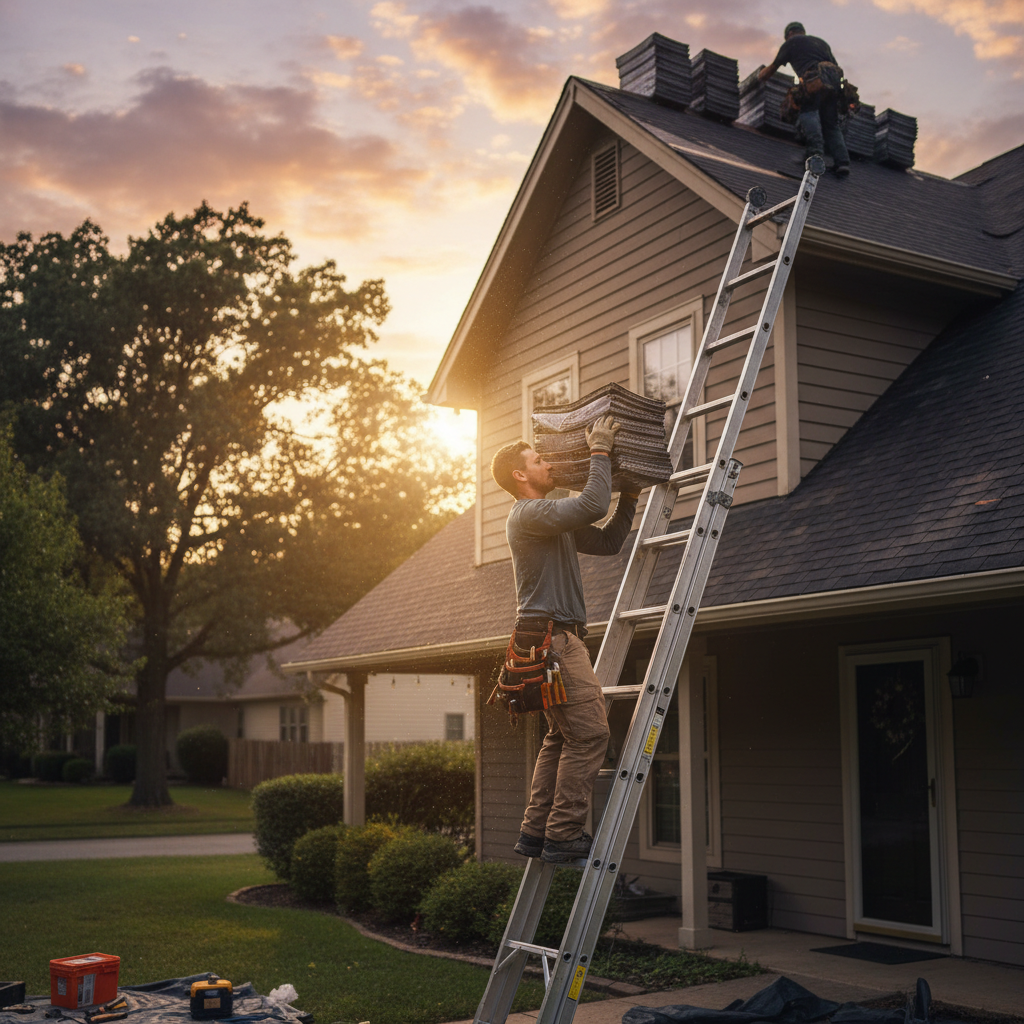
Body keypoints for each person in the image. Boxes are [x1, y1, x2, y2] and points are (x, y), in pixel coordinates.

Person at [489, 416, 640, 863]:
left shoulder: (549, 520)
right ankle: (563, 833)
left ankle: (537, 831)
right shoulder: (530, 513)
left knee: (562, 736)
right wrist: (599, 450)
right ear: (521, 475)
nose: (548, 463)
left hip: (547, 639)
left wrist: (629, 495)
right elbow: (592, 505)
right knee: (591, 734)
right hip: (555, 640)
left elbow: (610, 540)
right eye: (538, 460)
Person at [758, 22, 850, 177]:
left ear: (789, 34)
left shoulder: (791, 42)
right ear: (803, 31)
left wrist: (760, 75)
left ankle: (815, 156)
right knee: (831, 125)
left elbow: (770, 70)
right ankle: (842, 162)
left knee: (808, 113)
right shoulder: (821, 43)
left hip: (813, 81)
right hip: (833, 86)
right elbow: (835, 66)